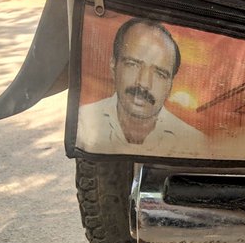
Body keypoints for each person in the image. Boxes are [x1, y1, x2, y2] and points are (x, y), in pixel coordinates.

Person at [77, 18, 206, 156]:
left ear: (170, 86)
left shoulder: (194, 143)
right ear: (113, 65)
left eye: (159, 73)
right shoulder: (83, 121)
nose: (144, 83)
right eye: (133, 64)